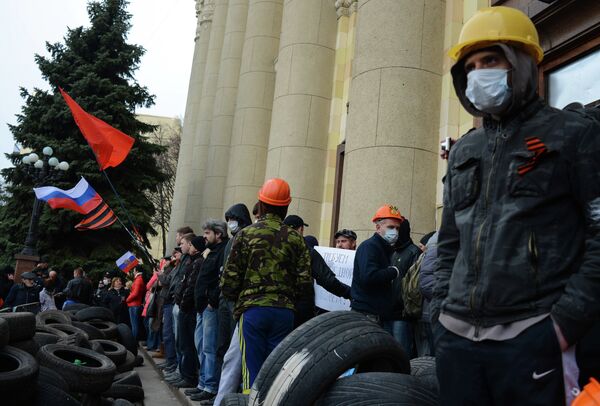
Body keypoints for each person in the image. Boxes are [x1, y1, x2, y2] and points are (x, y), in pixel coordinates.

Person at [431, 7, 600, 406]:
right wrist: (439, 315)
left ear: (522, 63)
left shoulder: (575, 134)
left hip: (534, 340)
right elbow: (448, 243)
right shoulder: (464, 151)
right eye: (470, 66)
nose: (478, 73)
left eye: (490, 59)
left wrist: (561, 326)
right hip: (456, 343)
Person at [221, 178, 312, 394]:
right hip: (284, 314)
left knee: (251, 376)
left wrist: (237, 300)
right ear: (286, 207)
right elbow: (304, 282)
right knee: (274, 374)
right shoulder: (296, 239)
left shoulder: (246, 235)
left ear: (261, 205)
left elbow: (229, 280)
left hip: (253, 312)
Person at [212, 203, 252, 406]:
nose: (230, 223)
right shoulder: (232, 241)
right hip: (225, 301)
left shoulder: (247, 237)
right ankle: (220, 394)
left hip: (238, 303)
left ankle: (231, 397)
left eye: (232, 219)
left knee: (236, 355)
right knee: (224, 349)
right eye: (227, 220)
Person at [189, 220, 229, 402]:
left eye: (207, 233)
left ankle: (211, 386)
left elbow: (221, 278)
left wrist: (212, 301)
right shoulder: (211, 252)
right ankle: (203, 383)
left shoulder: (223, 251)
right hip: (202, 308)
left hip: (210, 308)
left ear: (218, 234)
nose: (204, 236)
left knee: (209, 348)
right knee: (201, 347)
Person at [350, 205, 403, 325]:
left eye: (397, 228)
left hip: (378, 313)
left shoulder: (385, 248)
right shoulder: (370, 247)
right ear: (378, 227)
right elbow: (369, 277)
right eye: (390, 227)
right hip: (367, 314)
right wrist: (393, 272)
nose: (394, 231)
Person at [167, 233, 202, 389]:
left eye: (186, 244)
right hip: (183, 306)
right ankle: (183, 373)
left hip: (187, 308)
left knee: (187, 344)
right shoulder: (191, 261)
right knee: (182, 343)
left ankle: (188, 376)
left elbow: (191, 286)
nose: (181, 247)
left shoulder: (197, 262)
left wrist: (182, 302)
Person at [386, 218, 422, 357]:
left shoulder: (414, 252)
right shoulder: (392, 252)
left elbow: (415, 286)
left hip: (403, 316)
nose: (393, 233)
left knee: (402, 354)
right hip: (388, 312)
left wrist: (406, 308)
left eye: (397, 229)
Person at [157, 247, 182, 373]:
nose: (172, 257)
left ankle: (173, 363)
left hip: (171, 303)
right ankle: (170, 361)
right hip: (166, 303)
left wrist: (161, 274)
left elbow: (167, 281)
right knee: (167, 335)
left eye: (175, 254)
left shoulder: (176, 267)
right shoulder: (174, 267)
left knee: (171, 335)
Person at [126, 268, 146, 340]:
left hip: (134, 305)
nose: (133, 272)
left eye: (134, 270)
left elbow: (135, 293)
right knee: (135, 325)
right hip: (136, 304)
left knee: (134, 325)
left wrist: (127, 299)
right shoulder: (139, 279)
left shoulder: (138, 279)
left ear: (136, 271)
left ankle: (134, 341)